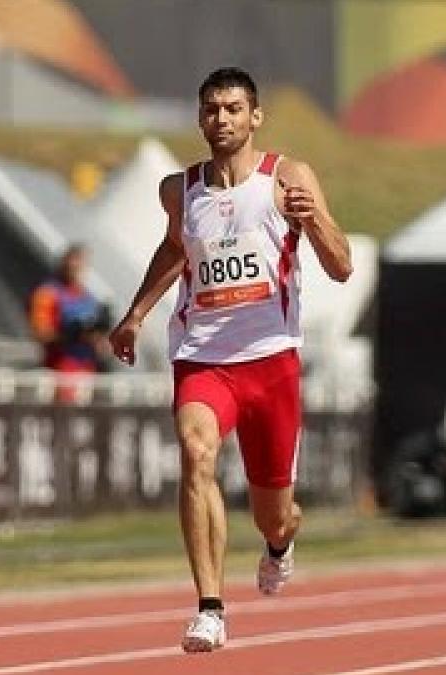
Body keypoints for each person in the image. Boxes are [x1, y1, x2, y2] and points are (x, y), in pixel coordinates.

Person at [108, 67, 352, 653]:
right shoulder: (179, 189)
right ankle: (210, 608)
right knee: (196, 454)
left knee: (275, 513)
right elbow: (175, 249)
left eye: (233, 109)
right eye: (212, 109)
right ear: (199, 118)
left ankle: (278, 544)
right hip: (203, 357)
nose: (222, 119)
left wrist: (311, 217)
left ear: (255, 117)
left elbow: (342, 266)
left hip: (271, 362)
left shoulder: (287, 177)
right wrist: (137, 313)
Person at [28, 244, 110, 402]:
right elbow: (40, 333)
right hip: (59, 371)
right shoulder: (48, 294)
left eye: (80, 263)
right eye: (73, 262)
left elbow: (101, 341)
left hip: (87, 371)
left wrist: (100, 338)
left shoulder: (88, 298)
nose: (76, 268)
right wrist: (71, 334)